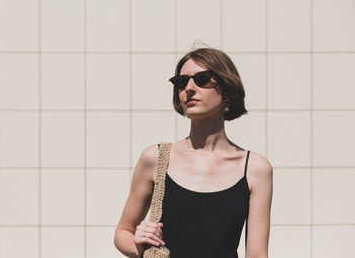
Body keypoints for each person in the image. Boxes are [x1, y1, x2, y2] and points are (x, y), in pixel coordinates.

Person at [114, 47, 273, 258]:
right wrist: (142, 244)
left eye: (202, 79)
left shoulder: (255, 169)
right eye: (182, 82)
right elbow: (123, 232)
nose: (189, 88)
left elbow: (256, 255)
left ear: (226, 89)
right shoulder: (156, 158)